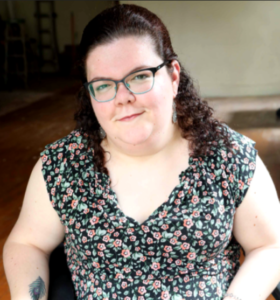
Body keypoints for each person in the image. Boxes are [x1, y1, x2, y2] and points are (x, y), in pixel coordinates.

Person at [3, 4, 280, 300]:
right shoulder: (63, 165)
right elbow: (26, 243)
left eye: (139, 76)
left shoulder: (228, 155)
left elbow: (270, 246)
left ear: (173, 77)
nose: (123, 97)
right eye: (103, 85)